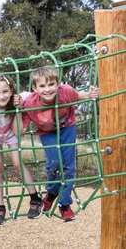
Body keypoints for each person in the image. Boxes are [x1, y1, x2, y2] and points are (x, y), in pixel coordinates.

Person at [13, 66, 99, 222]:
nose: (47, 89)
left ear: (57, 84)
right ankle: (52, 192)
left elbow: (79, 96)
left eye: (51, 84)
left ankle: (64, 204)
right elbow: (20, 131)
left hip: (68, 127)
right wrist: (17, 110)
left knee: (68, 166)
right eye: (42, 86)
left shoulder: (65, 92)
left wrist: (90, 94)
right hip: (46, 132)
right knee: (54, 163)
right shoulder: (30, 104)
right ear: (35, 88)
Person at [0, 74, 43, 225]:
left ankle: (35, 198)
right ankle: (0, 206)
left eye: (5, 91)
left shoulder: (17, 99)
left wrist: (19, 105)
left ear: (11, 90)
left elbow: (35, 95)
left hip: (11, 133)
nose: (2, 96)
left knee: (17, 163)